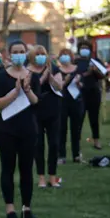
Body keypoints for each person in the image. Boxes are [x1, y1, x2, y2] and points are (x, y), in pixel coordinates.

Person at [0, 40, 40, 218]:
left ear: (26, 54)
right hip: (7, 130)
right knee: (8, 168)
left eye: (22, 51)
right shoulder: (0, 77)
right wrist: (15, 91)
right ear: (9, 55)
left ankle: (26, 208)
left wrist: (26, 90)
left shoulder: (32, 76)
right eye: (15, 51)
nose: (19, 54)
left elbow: (36, 102)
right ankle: (10, 209)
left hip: (28, 129)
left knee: (27, 170)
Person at [27, 46, 63, 188]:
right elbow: (32, 88)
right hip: (36, 111)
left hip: (53, 110)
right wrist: (42, 77)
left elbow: (59, 86)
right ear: (32, 56)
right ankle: (41, 177)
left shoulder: (53, 68)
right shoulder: (28, 70)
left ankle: (52, 176)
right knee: (38, 144)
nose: (41, 56)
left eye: (43, 54)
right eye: (38, 54)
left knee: (54, 143)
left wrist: (51, 77)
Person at [75, 41, 105, 149]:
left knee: (94, 118)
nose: (84, 49)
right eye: (82, 47)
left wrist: (96, 71)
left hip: (94, 92)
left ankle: (96, 141)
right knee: (79, 118)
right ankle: (76, 142)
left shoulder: (96, 61)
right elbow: (74, 76)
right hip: (80, 92)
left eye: (86, 47)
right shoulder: (76, 62)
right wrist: (86, 73)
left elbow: (103, 75)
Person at [58, 49, 83, 164]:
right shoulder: (57, 71)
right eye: (62, 55)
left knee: (76, 129)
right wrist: (65, 80)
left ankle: (76, 154)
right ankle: (61, 155)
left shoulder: (77, 69)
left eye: (66, 55)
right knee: (62, 129)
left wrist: (79, 83)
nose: (64, 57)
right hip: (62, 102)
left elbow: (83, 85)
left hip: (76, 101)